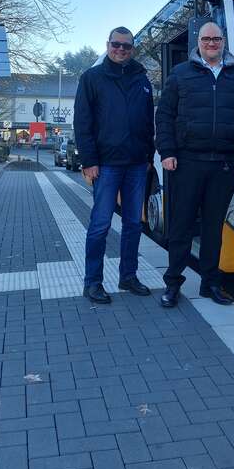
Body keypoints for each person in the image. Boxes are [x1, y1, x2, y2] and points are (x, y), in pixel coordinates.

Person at [156, 21, 234, 307]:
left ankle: (210, 284)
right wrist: (166, 151)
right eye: (206, 39)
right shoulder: (180, 74)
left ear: (223, 41)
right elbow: (164, 115)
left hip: (225, 164)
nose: (211, 43)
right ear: (199, 42)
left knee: (213, 228)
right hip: (187, 162)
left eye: (216, 39)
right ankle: (172, 283)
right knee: (180, 225)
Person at [74, 27, 154, 304]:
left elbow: (148, 122)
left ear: (133, 49)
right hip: (106, 165)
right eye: (116, 45)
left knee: (133, 224)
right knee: (100, 225)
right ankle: (92, 282)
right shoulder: (92, 78)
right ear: (107, 45)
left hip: (135, 164)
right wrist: (89, 161)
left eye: (126, 46)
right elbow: (82, 123)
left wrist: (148, 156)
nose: (121, 49)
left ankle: (128, 276)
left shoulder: (142, 79)